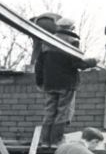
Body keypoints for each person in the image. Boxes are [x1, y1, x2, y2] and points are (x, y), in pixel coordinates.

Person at [34, 18, 98, 147]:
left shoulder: (46, 41)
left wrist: (40, 81)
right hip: (66, 84)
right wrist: (93, 61)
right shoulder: (73, 41)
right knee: (63, 112)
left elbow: (39, 64)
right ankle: (56, 141)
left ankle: (45, 141)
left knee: (49, 111)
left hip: (50, 84)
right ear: (71, 28)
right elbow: (76, 63)